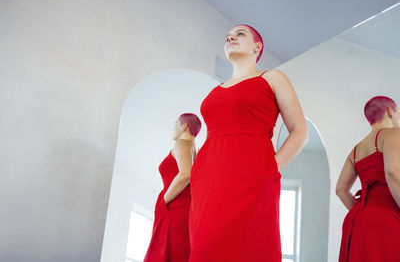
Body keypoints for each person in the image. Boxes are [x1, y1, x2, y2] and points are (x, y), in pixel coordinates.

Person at [189, 24, 308, 262]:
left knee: (250, 247)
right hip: (208, 180)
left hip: (253, 177)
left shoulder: (272, 78)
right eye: (228, 36)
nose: (231, 37)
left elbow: (299, 130)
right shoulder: (214, 92)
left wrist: (270, 167)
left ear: (257, 46)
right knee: (205, 250)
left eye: (239, 34)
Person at [336, 96, 400, 262]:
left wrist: (364, 213)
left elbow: (341, 190)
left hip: (357, 222)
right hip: (387, 219)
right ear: (390, 111)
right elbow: (392, 172)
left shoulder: (357, 149)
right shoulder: (392, 134)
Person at [144, 113, 201, 262]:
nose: (173, 128)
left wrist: (164, 200)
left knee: (168, 252)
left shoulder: (182, 143)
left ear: (184, 126)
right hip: (183, 207)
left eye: (175, 124)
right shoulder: (195, 150)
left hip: (174, 206)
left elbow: (185, 175)